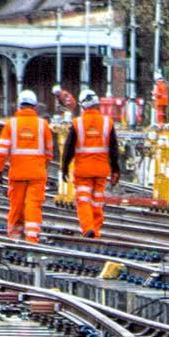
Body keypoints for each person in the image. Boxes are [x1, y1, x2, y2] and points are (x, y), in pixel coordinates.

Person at [0, 89, 54, 243]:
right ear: (35, 106)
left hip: (17, 174)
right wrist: (42, 167)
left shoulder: (11, 124)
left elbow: (2, 150)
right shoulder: (43, 125)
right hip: (37, 174)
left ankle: (14, 237)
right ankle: (32, 237)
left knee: (17, 206)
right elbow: (49, 152)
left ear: (19, 105)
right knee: (33, 205)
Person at [62, 89, 121, 237]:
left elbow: (69, 148)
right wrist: (116, 169)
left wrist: (64, 167)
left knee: (83, 200)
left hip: (83, 171)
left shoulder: (77, 123)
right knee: (97, 202)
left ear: (82, 105)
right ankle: (96, 231)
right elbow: (114, 149)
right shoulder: (107, 123)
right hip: (101, 171)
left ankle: (88, 228)